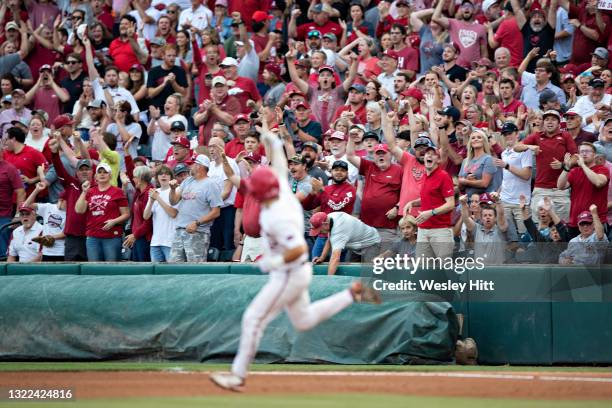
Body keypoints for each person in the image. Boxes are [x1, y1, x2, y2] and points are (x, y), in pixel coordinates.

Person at [209, 127, 379, 392]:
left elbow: (300, 250)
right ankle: (351, 295)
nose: (252, 190)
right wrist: (271, 140)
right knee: (304, 320)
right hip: (294, 272)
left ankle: (237, 375)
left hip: (288, 272)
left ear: (265, 192)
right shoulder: (282, 192)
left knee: (253, 317)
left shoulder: (280, 215)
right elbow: (277, 165)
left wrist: (271, 263)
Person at [515, 110, 577, 222]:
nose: (550, 122)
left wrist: (563, 165)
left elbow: (576, 157)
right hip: (541, 189)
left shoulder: (565, 136)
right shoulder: (537, 136)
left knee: (562, 228)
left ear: (559, 123)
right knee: (539, 227)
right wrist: (530, 147)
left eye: (553, 119)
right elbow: (516, 147)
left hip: (560, 190)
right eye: (547, 119)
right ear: (543, 123)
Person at [405, 139, 456, 260]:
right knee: (423, 270)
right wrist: (412, 202)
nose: (429, 155)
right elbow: (428, 199)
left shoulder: (443, 176)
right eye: (427, 153)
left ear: (438, 160)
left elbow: (450, 204)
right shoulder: (425, 175)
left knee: (446, 269)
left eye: (433, 154)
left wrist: (431, 213)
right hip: (423, 230)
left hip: (440, 231)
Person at [169, 154, 222, 262]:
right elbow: (173, 201)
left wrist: (197, 223)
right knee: (173, 270)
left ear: (199, 166)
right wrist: (173, 189)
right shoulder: (187, 181)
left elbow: (216, 212)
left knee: (195, 271)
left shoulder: (211, 184)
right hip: (180, 231)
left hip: (198, 233)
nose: (189, 167)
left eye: (192, 164)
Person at [75, 162, 130, 262]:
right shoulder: (90, 191)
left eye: (105, 172)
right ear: (95, 176)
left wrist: (114, 221)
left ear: (110, 175)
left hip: (111, 237)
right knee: (94, 269)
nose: (102, 174)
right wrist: (84, 192)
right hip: (93, 237)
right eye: (99, 172)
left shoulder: (117, 191)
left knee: (112, 269)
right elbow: (79, 210)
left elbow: (126, 214)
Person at [302, 160, 357, 260]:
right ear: (331, 172)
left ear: (347, 174)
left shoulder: (351, 190)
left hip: (340, 236)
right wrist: (312, 194)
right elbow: (307, 207)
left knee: (337, 268)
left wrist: (321, 190)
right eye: (336, 170)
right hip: (323, 235)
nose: (339, 172)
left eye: (342, 170)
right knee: (314, 264)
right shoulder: (326, 189)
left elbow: (336, 205)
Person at [557, 142, 609, 238]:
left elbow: (599, 182)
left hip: (595, 222)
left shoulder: (602, 169)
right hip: (575, 222)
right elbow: (560, 186)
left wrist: (583, 166)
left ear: (594, 155)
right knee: (575, 252)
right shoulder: (575, 171)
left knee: (596, 252)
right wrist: (567, 167)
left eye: (587, 151)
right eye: (582, 151)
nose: (584, 154)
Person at [22, 181, 66, 261]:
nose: (62, 203)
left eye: (66, 201)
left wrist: (50, 237)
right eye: (61, 200)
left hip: (62, 251)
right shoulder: (48, 207)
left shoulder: (71, 212)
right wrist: (37, 190)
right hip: (46, 251)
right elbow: (26, 205)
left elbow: (67, 233)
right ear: (59, 199)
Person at [460, 192, 509, 265]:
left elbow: (501, 215)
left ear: (495, 218)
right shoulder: (476, 228)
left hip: (497, 269)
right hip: (480, 269)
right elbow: (466, 218)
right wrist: (463, 204)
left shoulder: (500, 229)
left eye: (490, 215)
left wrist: (498, 201)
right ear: (481, 219)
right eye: (485, 215)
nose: (487, 217)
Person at [143, 165, 178, 262]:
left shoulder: (176, 191)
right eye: (161, 174)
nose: (164, 176)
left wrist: (158, 198)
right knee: (156, 275)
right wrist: (151, 201)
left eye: (166, 174)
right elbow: (146, 216)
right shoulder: (154, 192)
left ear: (171, 177)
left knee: (172, 274)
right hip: (155, 242)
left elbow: (173, 213)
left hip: (171, 241)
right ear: (157, 178)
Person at [123, 166, 153, 262]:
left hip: (143, 239)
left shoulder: (149, 194)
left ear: (140, 179)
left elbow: (148, 222)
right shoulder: (139, 192)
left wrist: (135, 235)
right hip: (137, 237)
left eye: (134, 177)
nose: (132, 179)